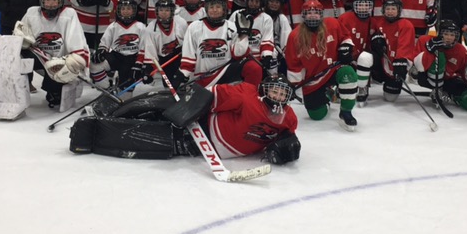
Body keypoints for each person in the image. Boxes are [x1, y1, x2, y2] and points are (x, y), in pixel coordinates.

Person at [71, 75, 300, 166]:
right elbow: (210, 94)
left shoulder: (288, 117)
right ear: (265, 90)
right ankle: (106, 109)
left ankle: (96, 132)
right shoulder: (247, 95)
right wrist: (188, 108)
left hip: (198, 145)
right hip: (200, 125)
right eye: (274, 91)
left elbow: (288, 135)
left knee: (151, 136)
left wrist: (287, 146)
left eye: (283, 94)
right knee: (156, 104)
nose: (278, 97)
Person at [285, 0, 359, 131]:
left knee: (348, 72)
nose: (312, 15)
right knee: (317, 115)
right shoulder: (295, 36)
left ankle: (346, 111)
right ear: (303, 15)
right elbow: (293, 64)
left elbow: (346, 36)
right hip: (314, 79)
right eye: (309, 13)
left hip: (333, 69)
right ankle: (329, 95)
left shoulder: (332, 24)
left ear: (321, 14)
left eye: (316, 12)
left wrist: (346, 47)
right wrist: (294, 85)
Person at [15, 0, 89, 109]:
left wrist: (74, 59)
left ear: (60, 1)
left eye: (54, 0)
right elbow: (21, 34)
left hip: (60, 60)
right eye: (47, 0)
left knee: (55, 98)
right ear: (42, 1)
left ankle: (56, 90)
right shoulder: (32, 12)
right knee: (18, 59)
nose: (50, 4)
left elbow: (76, 38)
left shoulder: (69, 14)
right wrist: (23, 40)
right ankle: (19, 90)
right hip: (38, 56)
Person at [176, 0, 262, 88]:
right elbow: (189, 56)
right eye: (211, 7)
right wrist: (183, 73)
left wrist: (243, 35)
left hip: (224, 74)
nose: (215, 10)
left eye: (218, 7)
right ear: (206, 9)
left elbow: (238, 54)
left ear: (224, 9)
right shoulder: (194, 27)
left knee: (253, 67)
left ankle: (251, 96)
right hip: (202, 77)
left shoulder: (232, 26)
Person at [411, 19, 467, 111]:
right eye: (446, 34)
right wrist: (429, 51)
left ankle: (450, 95)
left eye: (452, 35)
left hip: (449, 80)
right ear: (440, 34)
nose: (449, 38)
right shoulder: (425, 40)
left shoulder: (460, 49)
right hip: (427, 78)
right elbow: (418, 66)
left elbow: (464, 72)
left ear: (456, 36)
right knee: (439, 55)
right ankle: (437, 90)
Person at [362, 0, 416, 103]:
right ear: (383, 10)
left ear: (399, 10)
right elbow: (373, 40)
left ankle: (390, 82)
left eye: (393, 9)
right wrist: (375, 40)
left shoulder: (406, 25)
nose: (390, 12)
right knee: (365, 57)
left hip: (395, 66)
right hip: (383, 62)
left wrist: (401, 64)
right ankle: (362, 89)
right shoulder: (379, 23)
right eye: (387, 9)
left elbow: (405, 47)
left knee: (390, 98)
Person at [90, 0, 146, 92]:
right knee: (95, 65)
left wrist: (138, 65)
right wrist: (101, 51)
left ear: (134, 10)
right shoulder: (113, 26)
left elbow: (143, 49)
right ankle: (107, 88)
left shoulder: (141, 27)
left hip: (132, 60)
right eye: (123, 9)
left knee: (125, 95)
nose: (126, 11)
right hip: (116, 56)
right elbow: (104, 43)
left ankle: (120, 85)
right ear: (118, 10)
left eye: (129, 8)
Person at [139, 0, 187, 87]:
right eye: (161, 10)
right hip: (165, 59)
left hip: (181, 56)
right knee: (169, 85)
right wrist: (148, 72)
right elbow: (151, 54)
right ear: (156, 12)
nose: (164, 13)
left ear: (172, 11)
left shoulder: (181, 23)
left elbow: (188, 43)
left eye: (167, 10)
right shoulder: (150, 28)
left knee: (184, 81)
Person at [230, 0, 275, 75]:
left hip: (256, 59)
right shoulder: (237, 14)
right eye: (251, 1)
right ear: (247, 1)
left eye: (256, 1)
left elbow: (267, 39)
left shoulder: (266, 18)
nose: (254, 4)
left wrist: (266, 56)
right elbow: (229, 35)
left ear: (260, 3)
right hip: (237, 56)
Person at [264, 0, 291, 75]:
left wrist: (284, 53)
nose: (274, 4)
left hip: (277, 49)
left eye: (276, 2)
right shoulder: (262, 16)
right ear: (267, 3)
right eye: (271, 2)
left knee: (273, 54)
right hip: (262, 47)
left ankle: (273, 77)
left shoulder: (282, 18)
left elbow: (286, 36)